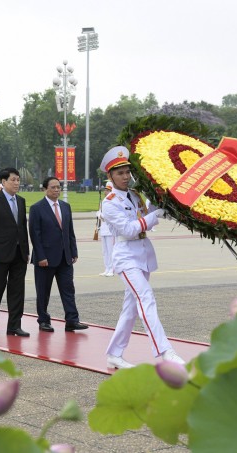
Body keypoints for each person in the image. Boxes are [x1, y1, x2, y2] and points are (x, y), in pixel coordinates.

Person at [100, 146, 184, 369]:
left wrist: (159, 197)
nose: (126, 176)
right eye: (120, 173)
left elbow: (145, 214)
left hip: (142, 255)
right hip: (126, 256)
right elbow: (128, 229)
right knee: (146, 297)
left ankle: (114, 354)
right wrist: (156, 215)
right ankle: (165, 351)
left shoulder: (135, 195)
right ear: (110, 176)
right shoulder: (109, 202)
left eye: (127, 172)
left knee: (130, 308)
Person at [29, 177, 88, 333]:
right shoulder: (37, 208)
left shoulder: (65, 206)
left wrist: (73, 251)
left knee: (68, 289)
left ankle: (72, 320)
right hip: (45, 259)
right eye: (53, 187)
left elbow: (70, 232)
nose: (56, 190)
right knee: (43, 291)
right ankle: (43, 320)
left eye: (58, 187)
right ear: (45, 189)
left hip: (65, 258)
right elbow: (35, 235)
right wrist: (40, 256)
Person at [0, 167, 30, 337]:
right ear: (3, 182)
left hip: (19, 253)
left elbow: (22, 228)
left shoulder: (21, 201)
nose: (16, 183)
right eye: (13, 180)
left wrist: (26, 250)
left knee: (17, 290)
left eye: (18, 180)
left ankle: (14, 326)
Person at [97, 181, 115, 277]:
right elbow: (100, 212)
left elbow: (111, 215)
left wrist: (101, 215)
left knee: (111, 250)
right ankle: (107, 268)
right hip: (103, 228)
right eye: (105, 190)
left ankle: (112, 269)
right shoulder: (104, 200)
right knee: (105, 251)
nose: (105, 191)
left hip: (110, 230)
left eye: (107, 190)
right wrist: (99, 214)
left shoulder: (113, 201)